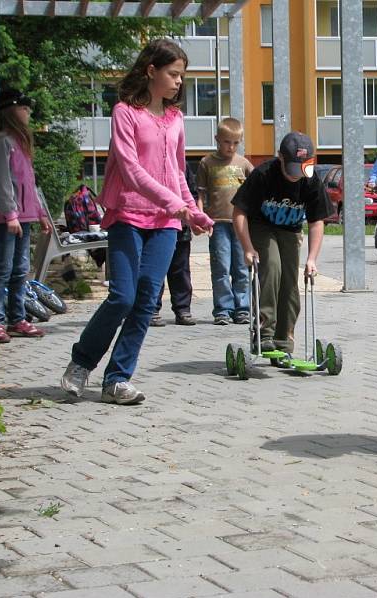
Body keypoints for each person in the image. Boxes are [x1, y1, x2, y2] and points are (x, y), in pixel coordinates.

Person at [60, 39, 213, 404]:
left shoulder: (176, 118)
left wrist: (191, 210)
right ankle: (81, 363)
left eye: (181, 75)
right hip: (128, 214)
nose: (179, 82)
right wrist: (175, 203)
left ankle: (117, 379)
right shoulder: (125, 112)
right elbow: (130, 171)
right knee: (122, 297)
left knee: (146, 299)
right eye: (173, 74)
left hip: (166, 222)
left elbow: (177, 171)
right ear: (151, 71)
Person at [232, 132, 332, 353]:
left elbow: (316, 221)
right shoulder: (264, 175)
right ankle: (264, 333)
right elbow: (239, 212)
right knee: (272, 269)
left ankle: (283, 339)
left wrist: (312, 259)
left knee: (289, 282)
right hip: (260, 227)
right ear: (281, 158)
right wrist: (248, 248)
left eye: (304, 166)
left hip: (290, 230)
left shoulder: (311, 179)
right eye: (294, 167)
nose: (299, 174)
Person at [0, 88, 52, 343]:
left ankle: (17, 318)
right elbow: (0, 182)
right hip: (6, 219)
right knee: (3, 268)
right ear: (10, 111)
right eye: (23, 107)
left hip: (24, 216)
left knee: (21, 269)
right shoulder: (1, 142)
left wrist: (40, 213)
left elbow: (29, 184)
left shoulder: (19, 143)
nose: (28, 111)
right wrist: (10, 215)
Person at [197, 117, 254, 326]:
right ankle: (223, 308)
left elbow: (256, 192)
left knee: (241, 266)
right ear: (217, 140)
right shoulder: (206, 163)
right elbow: (200, 195)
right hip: (217, 223)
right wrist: (201, 217)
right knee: (221, 266)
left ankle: (243, 308)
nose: (231, 147)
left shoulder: (244, 164)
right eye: (226, 142)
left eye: (235, 143)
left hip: (241, 224)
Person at [150, 162, 198, 327]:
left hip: (181, 229)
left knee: (181, 271)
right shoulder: (152, 163)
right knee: (155, 271)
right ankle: (152, 309)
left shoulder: (182, 166)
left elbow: (192, 193)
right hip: (157, 226)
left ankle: (183, 309)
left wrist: (194, 217)